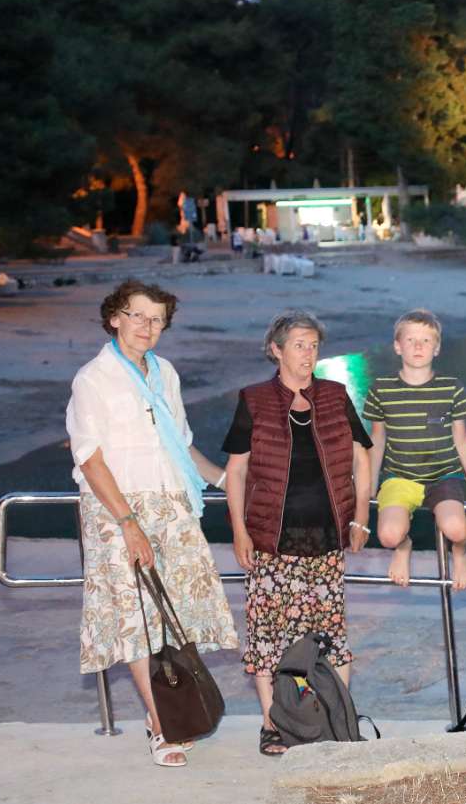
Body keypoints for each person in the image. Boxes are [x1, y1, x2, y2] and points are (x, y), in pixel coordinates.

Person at [66, 279, 237, 767]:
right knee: (136, 618)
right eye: (137, 315)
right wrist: (127, 522)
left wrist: (228, 480)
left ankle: (163, 712)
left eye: (156, 319)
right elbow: (91, 459)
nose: (146, 326)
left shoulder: (166, 374)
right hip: (118, 511)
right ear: (115, 317)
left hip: (171, 503)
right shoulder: (93, 379)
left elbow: (179, 444)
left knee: (171, 615)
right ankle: (162, 727)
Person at [222, 309, 373, 756]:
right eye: (299, 345)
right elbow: (236, 471)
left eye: (313, 345)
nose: (308, 354)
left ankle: (336, 719)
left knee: (330, 634)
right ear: (276, 349)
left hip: (327, 537)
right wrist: (239, 531)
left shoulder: (335, 394)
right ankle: (274, 724)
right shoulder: (253, 399)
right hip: (271, 539)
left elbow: (361, 457)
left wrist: (360, 516)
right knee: (270, 637)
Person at [364, 309, 466, 590]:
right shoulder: (381, 389)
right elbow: (377, 441)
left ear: (437, 348)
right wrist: (368, 485)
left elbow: (462, 441)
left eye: (426, 341)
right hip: (399, 476)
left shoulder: (451, 388)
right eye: (411, 340)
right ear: (397, 345)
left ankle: (460, 553)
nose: (418, 347)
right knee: (390, 535)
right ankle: (404, 548)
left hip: (444, 475)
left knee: (456, 528)